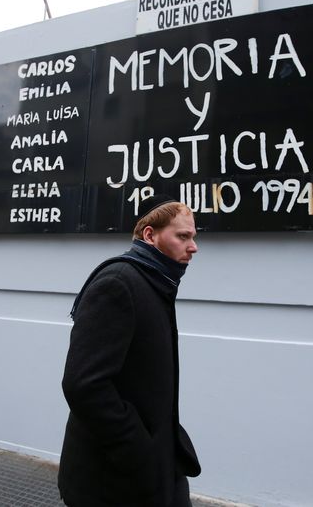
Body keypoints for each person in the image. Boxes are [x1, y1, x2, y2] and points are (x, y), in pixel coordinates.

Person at [58, 196, 201, 507]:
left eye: (193, 237)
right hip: (113, 478)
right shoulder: (119, 283)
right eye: (183, 236)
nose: (194, 247)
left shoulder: (155, 282)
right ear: (150, 235)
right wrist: (137, 447)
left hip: (156, 465)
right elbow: (84, 385)